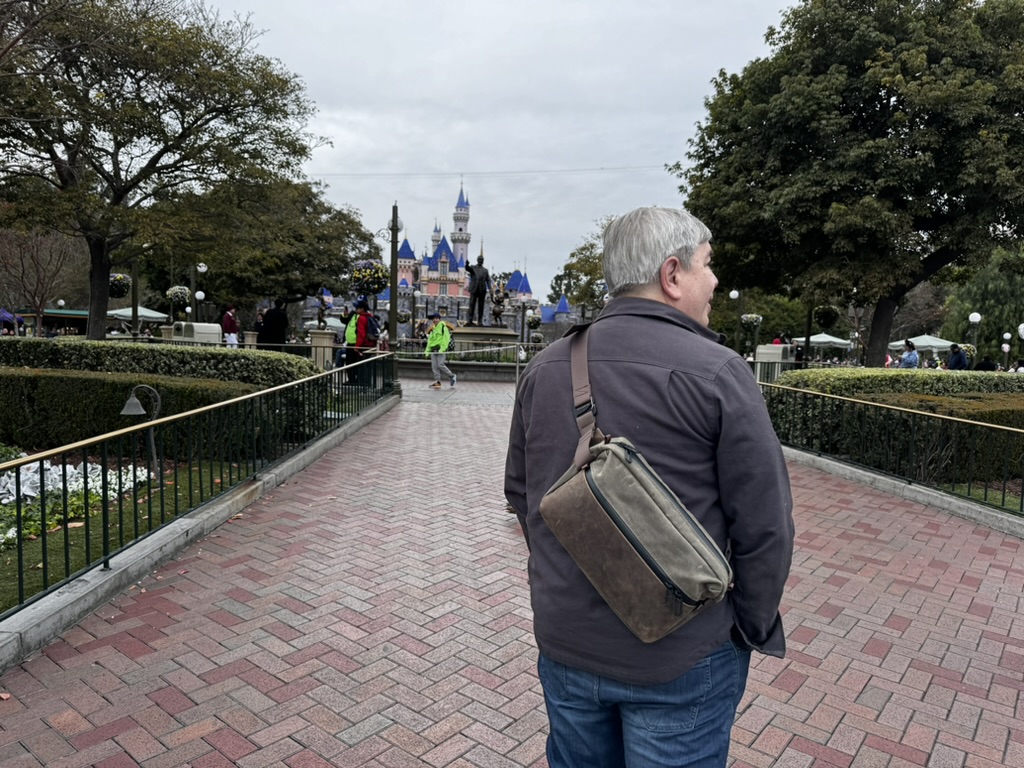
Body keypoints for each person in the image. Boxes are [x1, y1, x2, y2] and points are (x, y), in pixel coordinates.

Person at [504, 206, 794, 768]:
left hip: (568, 647)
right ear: (672, 274)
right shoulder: (718, 372)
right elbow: (765, 528)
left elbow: (523, 497)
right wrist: (746, 627)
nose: (715, 281)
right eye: (708, 265)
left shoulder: (544, 369)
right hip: (684, 652)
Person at [424, 312, 456, 388]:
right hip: (433, 350)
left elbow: (446, 339)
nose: (435, 320)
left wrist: (442, 349)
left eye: (436, 318)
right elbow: (430, 341)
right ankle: (437, 382)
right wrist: (427, 351)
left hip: (440, 349)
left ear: (439, 319)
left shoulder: (443, 327)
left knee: (440, 364)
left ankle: (451, 375)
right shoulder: (433, 329)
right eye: (434, 319)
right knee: (434, 367)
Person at [465, 254, 491, 326]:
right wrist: (467, 264)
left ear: (483, 261)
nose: (480, 261)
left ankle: (480, 321)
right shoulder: (473, 268)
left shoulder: (485, 271)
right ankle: (470, 320)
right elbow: (467, 269)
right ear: (477, 260)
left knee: (481, 306)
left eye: (481, 260)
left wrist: (491, 289)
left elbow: (488, 280)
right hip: (474, 289)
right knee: (472, 304)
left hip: (482, 289)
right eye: (479, 259)